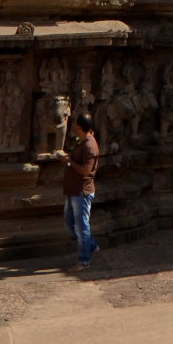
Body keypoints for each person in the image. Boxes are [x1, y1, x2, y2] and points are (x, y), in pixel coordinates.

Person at [61, 110, 100, 270]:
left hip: (82, 191)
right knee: (70, 221)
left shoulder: (90, 146)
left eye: (75, 123)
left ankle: (84, 261)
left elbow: (85, 170)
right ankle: (90, 245)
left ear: (79, 126)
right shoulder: (82, 141)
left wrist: (69, 161)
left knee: (82, 226)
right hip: (73, 190)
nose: (73, 125)